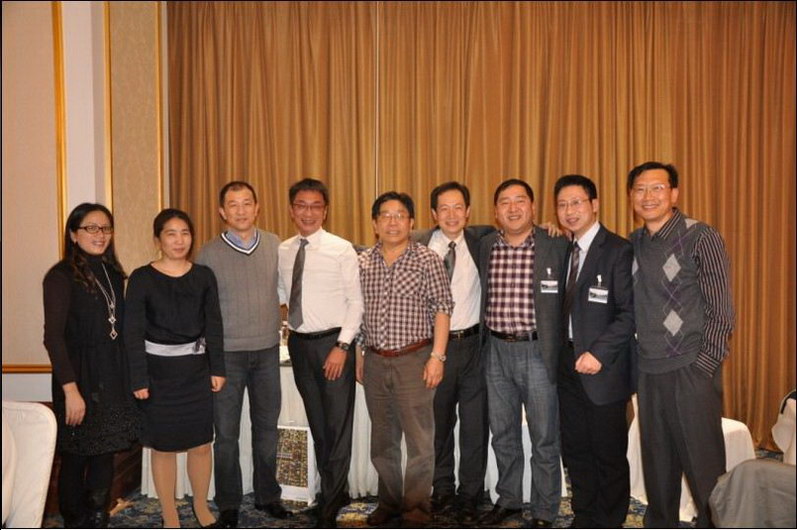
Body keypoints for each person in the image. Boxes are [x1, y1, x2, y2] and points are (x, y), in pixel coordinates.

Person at [628, 161, 734, 528]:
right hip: (648, 370)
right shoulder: (634, 243)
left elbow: (721, 311)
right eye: (640, 189)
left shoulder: (700, 236)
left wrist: (703, 367)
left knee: (704, 467)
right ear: (631, 197)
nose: (648, 196)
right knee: (658, 469)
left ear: (674, 193)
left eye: (657, 188)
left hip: (690, 368)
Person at [195, 181, 291, 528]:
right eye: (233, 205)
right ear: (222, 211)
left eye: (246, 203)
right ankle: (229, 502)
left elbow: (284, 291)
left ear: (257, 207)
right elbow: (202, 308)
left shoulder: (275, 244)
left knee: (267, 430)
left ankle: (268, 496)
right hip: (227, 356)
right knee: (226, 435)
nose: (240, 210)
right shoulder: (208, 253)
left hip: (266, 351)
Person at [356, 191, 454, 527]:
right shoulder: (362, 262)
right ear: (374, 223)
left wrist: (437, 356)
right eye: (385, 215)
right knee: (383, 441)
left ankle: (416, 509)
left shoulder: (427, 259)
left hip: (415, 359)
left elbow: (443, 309)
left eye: (400, 215)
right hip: (374, 360)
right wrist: (359, 354)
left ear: (412, 223)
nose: (393, 222)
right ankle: (389, 503)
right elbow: (356, 312)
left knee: (419, 442)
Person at [125, 208, 226, 529]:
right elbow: (132, 332)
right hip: (157, 375)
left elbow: (214, 325)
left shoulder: (204, 276)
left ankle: (200, 505)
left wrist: (218, 368)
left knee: (201, 445)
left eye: (185, 233)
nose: (179, 240)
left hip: (196, 372)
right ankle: (168, 512)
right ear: (158, 239)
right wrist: (138, 378)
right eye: (171, 233)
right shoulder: (142, 278)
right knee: (163, 447)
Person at [42, 203, 140, 528]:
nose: (100, 235)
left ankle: (98, 516)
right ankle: (74, 520)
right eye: (91, 228)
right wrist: (71, 391)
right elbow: (53, 338)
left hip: (112, 373)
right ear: (73, 234)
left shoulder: (113, 273)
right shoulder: (59, 276)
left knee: (106, 450)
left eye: (106, 228)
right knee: (76, 455)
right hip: (78, 378)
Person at [478, 179, 569, 528]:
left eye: (520, 201)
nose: (513, 208)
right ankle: (509, 500)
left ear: (533, 207)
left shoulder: (555, 243)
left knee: (545, 436)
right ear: (495, 211)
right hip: (495, 351)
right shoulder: (486, 245)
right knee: (503, 434)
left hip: (538, 351)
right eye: (505, 202)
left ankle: (545, 510)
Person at [277, 178, 363, 528]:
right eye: (301, 205)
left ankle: (330, 501)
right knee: (318, 424)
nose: (308, 212)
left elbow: (356, 302)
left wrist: (342, 346)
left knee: (337, 425)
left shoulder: (341, 249)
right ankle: (334, 492)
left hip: (334, 345)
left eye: (315, 206)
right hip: (299, 345)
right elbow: (282, 293)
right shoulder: (283, 250)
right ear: (291, 209)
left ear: (325, 211)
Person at [554, 174, 634, 528]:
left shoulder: (617, 250)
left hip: (604, 370)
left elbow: (629, 313)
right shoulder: (562, 250)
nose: (569, 211)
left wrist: (598, 353)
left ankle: (610, 521)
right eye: (562, 205)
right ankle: (584, 516)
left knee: (609, 453)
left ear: (595, 204)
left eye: (576, 202)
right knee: (576, 450)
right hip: (566, 366)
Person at [411, 181, 492, 524]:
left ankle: (470, 494)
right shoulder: (416, 244)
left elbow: (525, 230)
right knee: (438, 424)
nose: (451, 214)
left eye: (458, 207)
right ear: (433, 214)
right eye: (444, 208)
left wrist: (549, 227)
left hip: (474, 348)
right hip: (433, 350)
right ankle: (442, 489)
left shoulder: (483, 240)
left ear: (468, 211)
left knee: (475, 427)